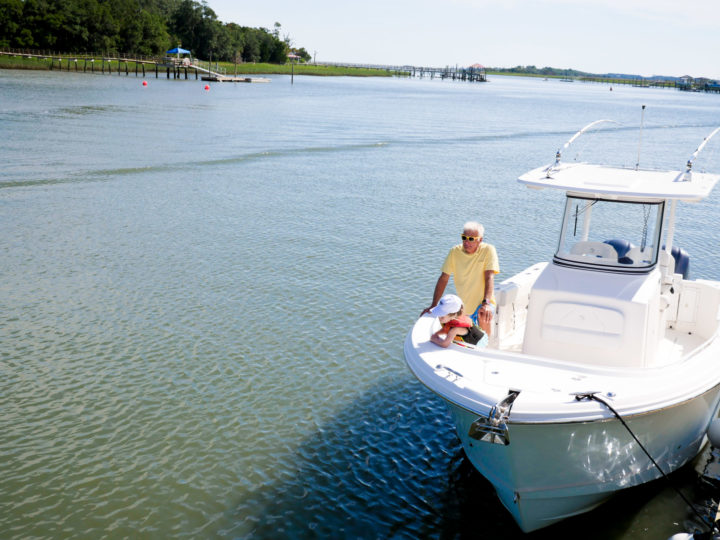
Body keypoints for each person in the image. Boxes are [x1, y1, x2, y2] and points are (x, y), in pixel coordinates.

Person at [421, 221, 500, 335]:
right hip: (465, 307)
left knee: (483, 314)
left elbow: (489, 277)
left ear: (480, 240)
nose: (466, 242)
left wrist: (486, 303)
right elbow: (444, 278)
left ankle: (486, 348)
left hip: (484, 303)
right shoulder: (454, 252)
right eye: (464, 237)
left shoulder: (488, 250)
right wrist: (434, 304)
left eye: (471, 239)